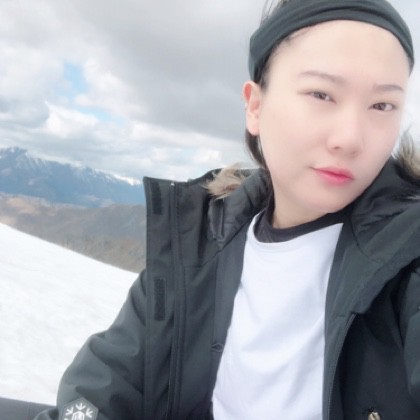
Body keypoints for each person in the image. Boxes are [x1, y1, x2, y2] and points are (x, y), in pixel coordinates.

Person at [34, 0, 420, 419]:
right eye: (321, 94)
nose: (350, 138)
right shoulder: (200, 240)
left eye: (382, 106)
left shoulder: (408, 260)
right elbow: (108, 383)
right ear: (255, 106)